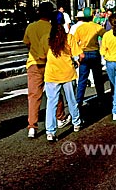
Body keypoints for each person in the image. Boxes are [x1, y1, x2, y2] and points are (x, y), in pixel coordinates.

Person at [23, 2, 69, 139]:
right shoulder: (52, 28)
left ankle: (32, 126)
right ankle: (60, 118)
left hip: (33, 63)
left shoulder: (31, 27)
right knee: (55, 92)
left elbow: (27, 42)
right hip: (50, 64)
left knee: (33, 96)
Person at [41, 11, 83, 141]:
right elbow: (81, 55)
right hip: (67, 73)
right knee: (71, 100)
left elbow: (41, 56)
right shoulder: (69, 38)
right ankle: (76, 123)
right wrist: (77, 62)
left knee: (51, 103)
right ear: (64, 23)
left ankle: (50, 131)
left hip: (51, 74)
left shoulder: (45, 38)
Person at [72, 7, 107, 107]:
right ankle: (101, 99)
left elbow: (74, 42)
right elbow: (106, 35)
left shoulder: (80, 28)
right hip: (95, 53)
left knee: (82, 80)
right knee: (98, 79)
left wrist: (78, 54)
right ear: (92, 16)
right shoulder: (96, 26)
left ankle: (79, 101)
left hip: (84, 54)